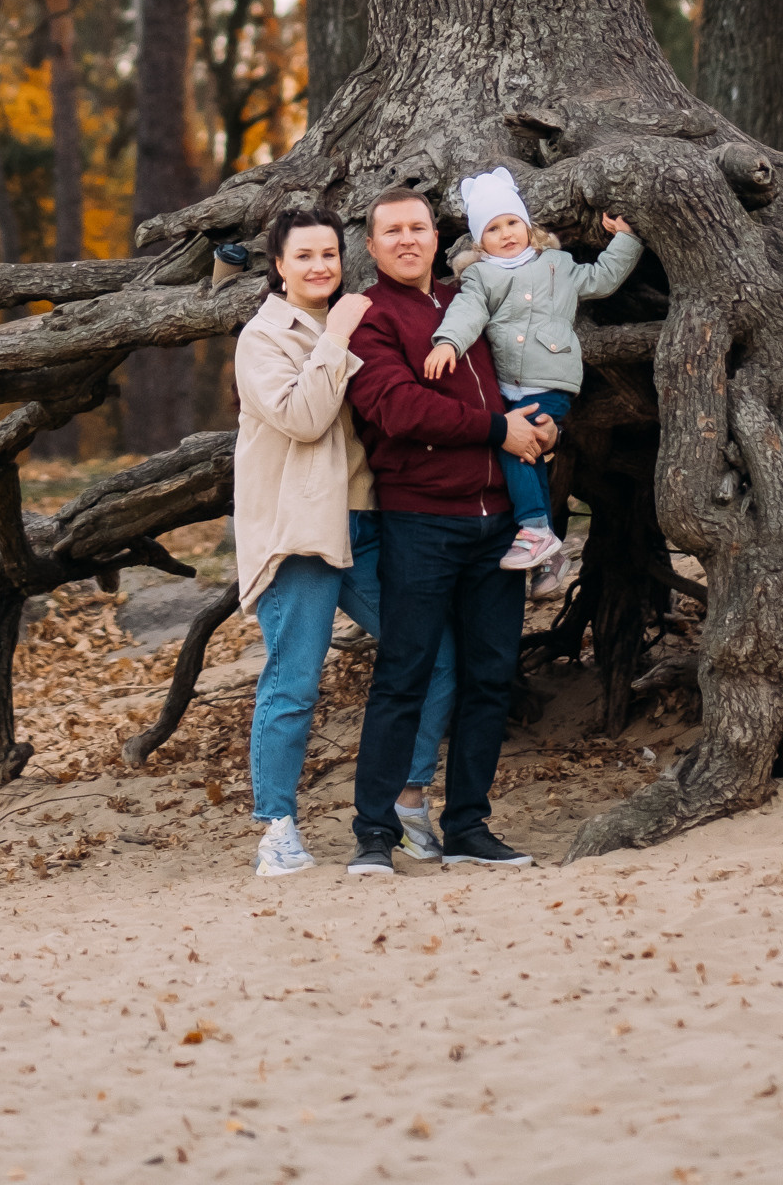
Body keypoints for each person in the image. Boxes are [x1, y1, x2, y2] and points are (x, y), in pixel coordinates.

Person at [232, 203, 457, 878]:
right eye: (303, 256)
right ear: (278, 267)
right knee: (294, 682)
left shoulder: (356, 318)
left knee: (436, 656)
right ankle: (276, 825)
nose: (319, 266)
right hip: (299, 530)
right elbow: (303, 419)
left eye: (328, 254)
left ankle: (408, 801)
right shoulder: (263, 338)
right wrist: (336, 337)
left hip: (363, 522)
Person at [342, 186, 558, 874]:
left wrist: (543, 425)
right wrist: (500, 429)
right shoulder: (371, 319)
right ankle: (375, 833)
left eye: (419, 228)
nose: (408, 240)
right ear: (372, 248)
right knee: (403, 674)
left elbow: (520, 379)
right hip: (421, 521)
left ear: (438, 237)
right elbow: (398, 408)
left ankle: (468, 827)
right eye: (392, 232)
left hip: (499, 524)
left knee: (491, 677)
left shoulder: (475, 296)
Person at [425, 166, 642, 581]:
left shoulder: (557, 264)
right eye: (493, 229)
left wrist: (627, 239)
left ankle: (535, 529)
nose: (506, 234)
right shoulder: (480, 276)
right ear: (479, 240)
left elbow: (602, 278)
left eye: (512, 223)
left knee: (514, 444)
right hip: (507, 383)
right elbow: (468, 312)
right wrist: (449, 341)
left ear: (527, 225)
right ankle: (549, 549)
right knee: (527, 452)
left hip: (551, 377)